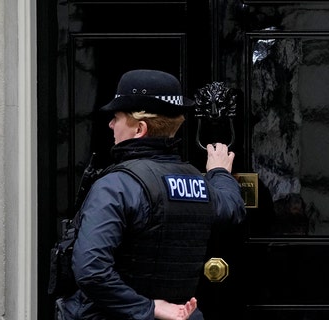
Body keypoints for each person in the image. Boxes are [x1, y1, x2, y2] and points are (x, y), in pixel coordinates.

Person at [57, 69, 246, 320]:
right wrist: (220, 171)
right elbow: (231, 208)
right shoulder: (198, 183)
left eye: (117, 117)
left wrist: (150, 308)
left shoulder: (117, 185)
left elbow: (91, 270)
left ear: (140, 129)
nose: (111, 124)